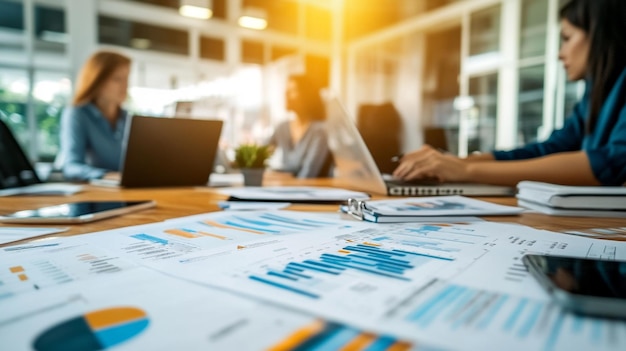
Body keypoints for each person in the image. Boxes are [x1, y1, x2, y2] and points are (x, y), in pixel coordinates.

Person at [393, 0, 626, 187]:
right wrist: (454, 162)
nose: (560, 53)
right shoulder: (595, 94)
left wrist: (466, 170)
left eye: (567, 38)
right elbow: (549, 149)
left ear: (601, 35)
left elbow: (612, 162)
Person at [59, 51, 131, 181]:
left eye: (126, 79)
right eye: (117, 79)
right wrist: (106, 176)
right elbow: (71, 166)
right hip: (95, 193)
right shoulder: (78, 114)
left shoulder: (127, 118)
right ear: (98, 81)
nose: (125, 86)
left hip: (128, 192)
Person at [267, 74, 331, 178]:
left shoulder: (319, 131)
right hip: (287, 188)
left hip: (310, 190)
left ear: (306, 95)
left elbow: (309, 174)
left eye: (292, 90)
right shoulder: (282, 128)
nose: (286, 94)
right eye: (286, 90)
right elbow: (258, 155)